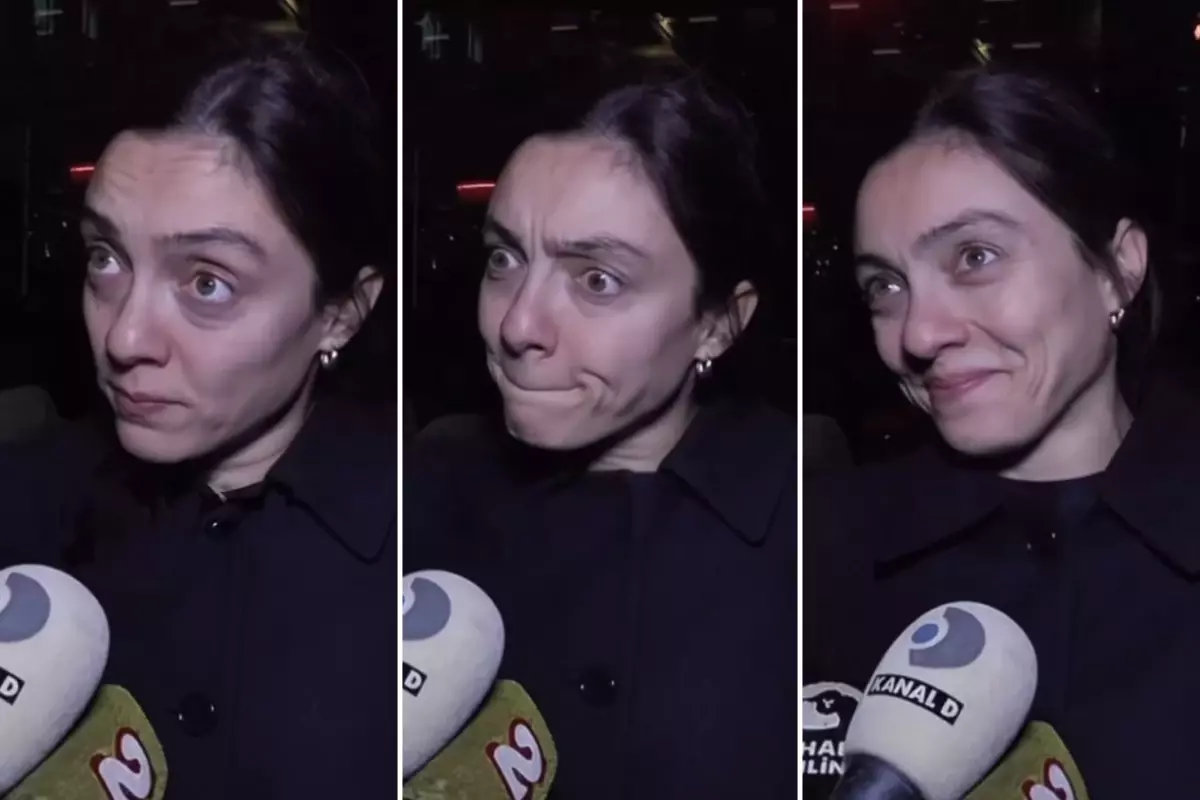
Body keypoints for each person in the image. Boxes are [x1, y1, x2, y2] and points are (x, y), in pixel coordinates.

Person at [0, 40, 397, 797]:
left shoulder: (435, 546)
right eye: (106, 258)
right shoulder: (23, 504)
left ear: (340, 314)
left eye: (208, 283)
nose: (124, 338)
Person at [802, 64, 1200, 799]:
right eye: (885, 286)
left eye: (975, 257)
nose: (918, 334)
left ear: (1118, 269)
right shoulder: (814, 555)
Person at [406, 74, 798, 798]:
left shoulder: (817, 523)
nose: (518, 325)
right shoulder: (418, 495)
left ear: (717, 323)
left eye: (597, 281)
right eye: (504, 259)